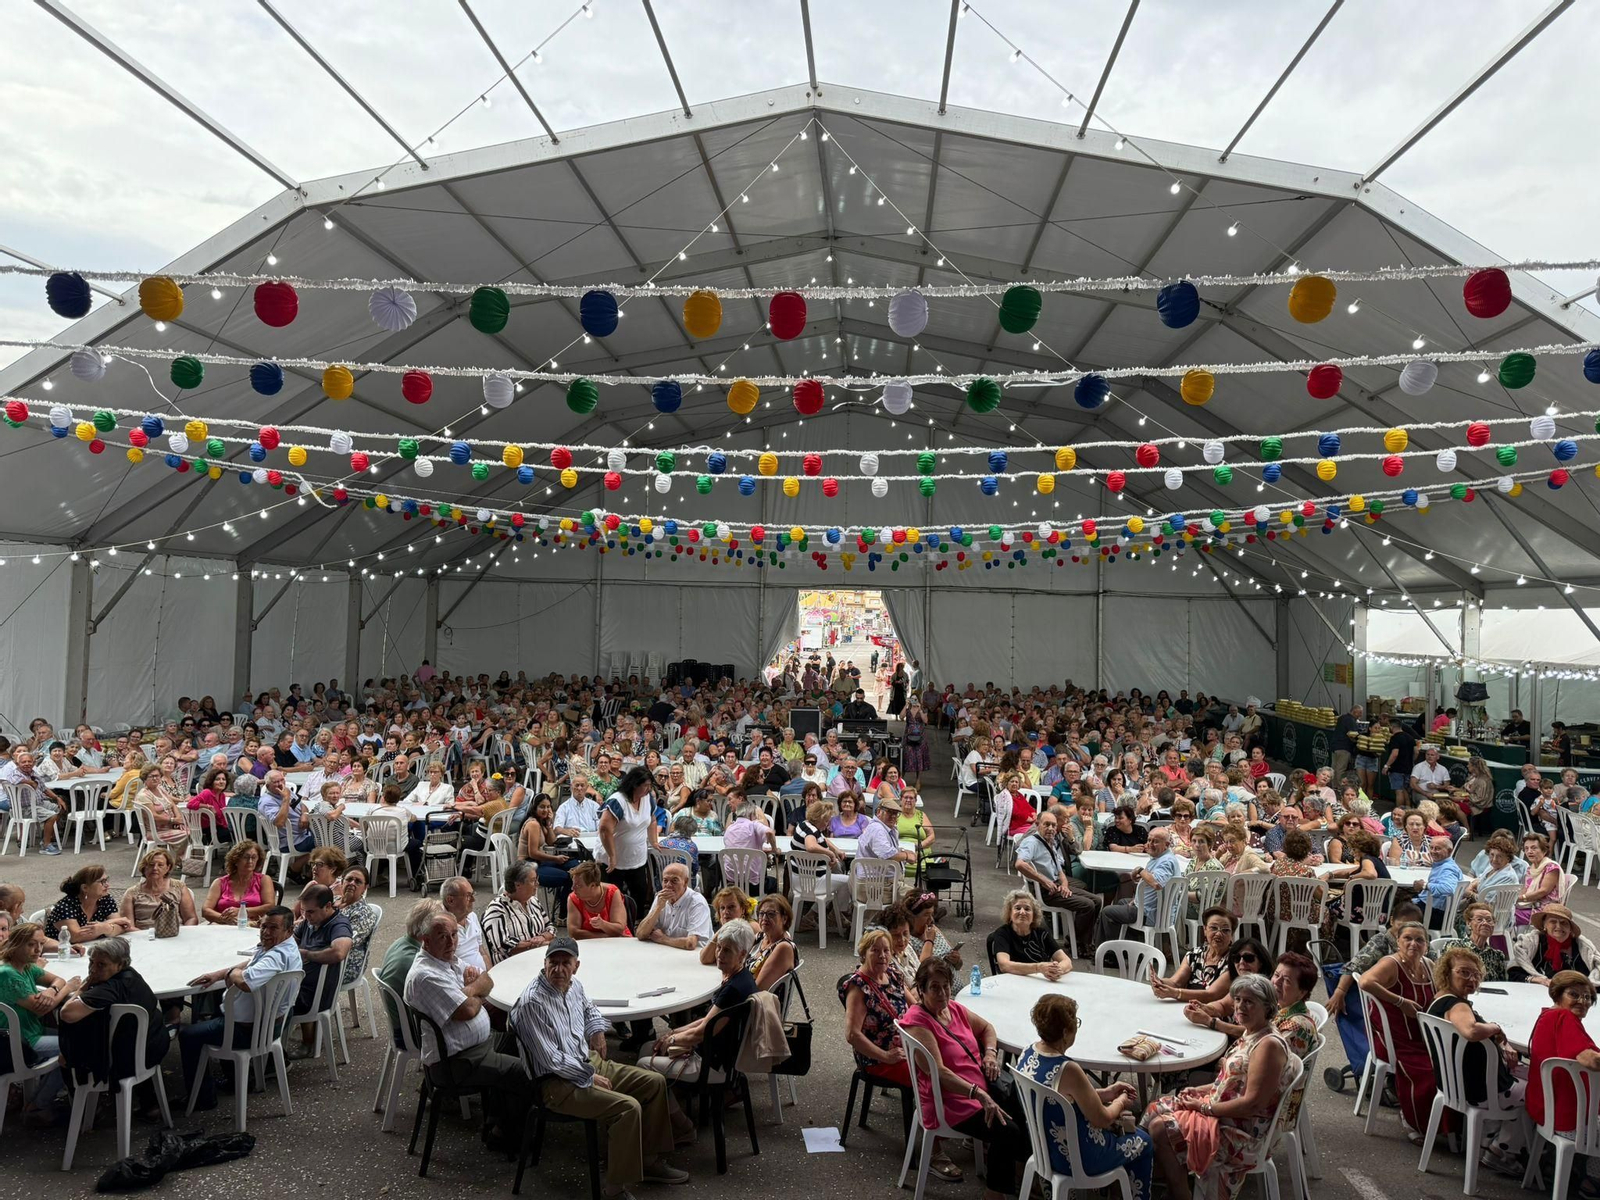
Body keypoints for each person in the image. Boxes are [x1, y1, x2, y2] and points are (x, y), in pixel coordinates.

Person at [510, 937, 690, 1199]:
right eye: (553, 962)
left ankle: (648, 1160)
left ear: (576, 966)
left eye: (565, 963)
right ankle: (615, 1188)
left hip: (585, 1062)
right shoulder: (531, 1004)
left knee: (654, 1082)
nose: (559, 969)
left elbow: (590, 1008)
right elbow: (551, 1060)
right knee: (628, 1109)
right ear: (544, 963)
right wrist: (588, 1076)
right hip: (555, 1083)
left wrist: (596, 1030)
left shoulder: (573, 986)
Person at [1144, 974, 1295, 1200]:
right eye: (1238, 1000)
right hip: (1225, 1111)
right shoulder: (1252, 1031)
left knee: (1161, 1128)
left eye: (1249, 1002)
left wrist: (1204, 1108)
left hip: (1243, 1132)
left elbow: (1252, 1104)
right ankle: (1154, 1177)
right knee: (1156, 1107)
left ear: (1267, 1008)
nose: (1240, 1006)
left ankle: (1179, 1192)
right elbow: (1234, 1082)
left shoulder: (1268, 1046)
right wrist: (1203, 1090)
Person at [899, 957, 1031, 1200]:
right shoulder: (919, 1022)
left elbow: (987, 1028)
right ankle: (994, 1194)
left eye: (946, 986)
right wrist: (978, 1094)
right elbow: (938, 1072)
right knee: (1007, 1130)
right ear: (921, 990)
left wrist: (990, 1054)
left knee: (1024, 1104)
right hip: (951, 1101)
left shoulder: (954, 1009)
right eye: (934, 987)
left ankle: (1022, 1174)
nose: (942, 993)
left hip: (979, 1085)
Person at [404, 911, 533, 1143]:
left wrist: (469, 989)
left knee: (529, 1043)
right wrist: (475, 990)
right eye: (443, 936)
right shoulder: (426, 975)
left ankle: (497, 1117)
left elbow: (488, 980)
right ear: (426, 941)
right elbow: (468, 1011)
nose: (452, 942)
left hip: (479, 1044)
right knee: (526, 1071)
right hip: (457, 1061)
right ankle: (505, 1136)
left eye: (454, 934)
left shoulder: (447, 958)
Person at [1016, 993, 1154, 1199]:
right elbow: (1102, 1118)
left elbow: (1063, 1099)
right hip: (1079, 1159)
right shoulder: (1067, 1069)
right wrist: (1120, 1101)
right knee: (1143, 1141)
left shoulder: (1028, 1052)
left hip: (1044, 1151)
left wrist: (1106, 1092)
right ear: (1065, 1032)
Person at [180, 906, 302, 1110]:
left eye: (273, 928)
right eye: (264, 926)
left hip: (250, 1031)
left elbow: (245, 982)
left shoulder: (276, 956)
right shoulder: (285, 948)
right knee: (220, 1008)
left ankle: (202, 1098)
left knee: (188, 1036)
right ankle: (236, 1080)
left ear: (289, 931)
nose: (266, 932)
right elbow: (253, 962)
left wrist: (232, 974)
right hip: (270, 1023)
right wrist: (220, 974)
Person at [1429, 945, 1525, 1170]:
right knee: (1540, 1091)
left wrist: (1500, 1038)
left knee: (1523, 1074)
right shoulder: (1457, 1005)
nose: (1471, 979)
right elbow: (1471, 1031)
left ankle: (1486, 1141)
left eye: (1476, 974)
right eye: (1463, 972)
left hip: (1454, 1083)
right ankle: (1503, 1150)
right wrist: (1495, 1027)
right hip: (1478, 1090)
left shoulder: (1439, 1000)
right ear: (1446, 973)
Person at [636, 919, 761, 1079]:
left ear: (742, 954)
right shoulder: (741, 977)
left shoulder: (734, 989)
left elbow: (702, 1032)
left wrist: (672, 1040)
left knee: (643, 1065)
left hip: (713, 1064)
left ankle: (671, 1104)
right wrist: (672, 1033)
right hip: (714, 1053)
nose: (719, 955)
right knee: (648, 1047)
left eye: (727, 951)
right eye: (719, 947)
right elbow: (707, 1021)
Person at [57, 935, 169, 1112]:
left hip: (126, 1058)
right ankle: (149, 1104)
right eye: (91, 962)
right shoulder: (133, 977)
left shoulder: (110, 988)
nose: (93, 969)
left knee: (65, 1056)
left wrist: (82, 987)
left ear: (120, 964)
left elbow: (67, 1013)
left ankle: (86, 1110)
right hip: (154, 1044)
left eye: (101, 965)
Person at [1358, 920, 1437, 1138]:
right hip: (1393, 1037)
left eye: (1419, 939)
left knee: (1452, 1064)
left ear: (1427, 945)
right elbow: (1365, 982)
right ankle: (1412, 1120)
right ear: (1398, 942)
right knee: (1429, 1070)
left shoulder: (1429, 966)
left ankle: (1441, 1124)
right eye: (1408, 938)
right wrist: (1400, 1001)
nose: (1414, 943)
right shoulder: (1391, 963)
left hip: (1420, 1035)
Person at [0, 922, 80, 1124]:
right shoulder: (8, 973)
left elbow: (57, 979)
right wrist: (68, 988)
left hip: (31, 1031)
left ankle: (37, 1102)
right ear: (15, 945)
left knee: (77, 1038)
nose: (38, 950)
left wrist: (51, 990)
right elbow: (42, 1008)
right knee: (77, 1048)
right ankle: (39, 1106)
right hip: (20, 1042)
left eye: (41, 944)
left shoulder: (26, 966)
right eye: (31, 944)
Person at [1528, 970, 1600, 1174]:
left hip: (1548, 1110)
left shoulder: (1547, 1015)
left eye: (1587, 997)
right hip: (1570, 1120)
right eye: (1574, 995)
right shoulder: (1563, 1017)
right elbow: (1590, 1060)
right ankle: (1594, 1180)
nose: (1583, 1001)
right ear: (1558, 994)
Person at [1011, 808, 1100, 954]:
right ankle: (1077, 944)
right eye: (1046, 825)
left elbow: (1059, 870)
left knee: (1096, 900)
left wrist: (1065, 885)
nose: (1051, 828)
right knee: (1088, 905)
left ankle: (1079, 941)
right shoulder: (1032, 842)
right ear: (1038, 824)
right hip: (1047, 890)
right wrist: (1044, 880)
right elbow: (1020, 864)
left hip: (1057, 884)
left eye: (1053, 825)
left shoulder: (1050, 841)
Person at [839, 927, 912, 1088]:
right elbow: (852, 1035)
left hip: (906, 1046)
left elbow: (914, 1006)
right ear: (864, 954)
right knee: (930, 1074)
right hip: (877, 1060)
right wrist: (886, 1056)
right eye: (875, 950)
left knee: (946, 1056)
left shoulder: (892, 975)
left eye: (886, 950)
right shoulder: (858, 987)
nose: (882, 956)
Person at [597, 765, 662, 928]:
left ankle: (637, 923)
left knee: (640, 893)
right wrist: (612, 856)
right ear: (634, 784)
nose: (648, 789)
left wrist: (654, 841)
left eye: (650, 785)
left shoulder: (648, 798)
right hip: (614, 860)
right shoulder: (618, 800)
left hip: (636, 857)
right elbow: (605, 829)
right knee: (614, 895)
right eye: (645, 785)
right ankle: (614, 926)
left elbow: (652, 820)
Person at [1095, 826, 1181, 946]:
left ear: (1166, 844)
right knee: (1122, 902)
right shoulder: (1160, 857)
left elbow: (1157, 883)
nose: (1150, 844)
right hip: (1153, 908)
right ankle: (1129, 947)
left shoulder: (1166, 861)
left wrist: (1140, 870)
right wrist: (1136, 900)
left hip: (1152, 913)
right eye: (1149, 840)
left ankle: (1109, 954)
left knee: (1107, 912)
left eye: (1155, 841)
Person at [378, 899, 443, 1047]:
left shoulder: (401, 942)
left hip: (400, 1025)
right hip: (410, 1034)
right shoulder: (416, 962)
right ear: (428, 932)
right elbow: (441, 1004)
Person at [1152, 907, 1239, 1005]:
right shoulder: (1194, 954)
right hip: (1188, 1009)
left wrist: (1176, 993)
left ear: (1232, 935)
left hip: (1214, 1014)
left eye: (1225, 930)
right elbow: (1176, 983)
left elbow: (1211, 995)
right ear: (1205, 930)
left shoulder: (1236, 962)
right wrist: (1159, 982)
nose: (1219, 934)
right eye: (1213, 928)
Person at [481, 861, 556, 965]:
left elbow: (550, 927)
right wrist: (541, 944)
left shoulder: (533, 901)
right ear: (518, 885)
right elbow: (505, 947)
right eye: (533, 881)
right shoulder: (497, 910)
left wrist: (542, 937)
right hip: (512, 965)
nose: (537, 884)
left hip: (538, 959)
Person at [989, 889, 1071, 980]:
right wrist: (1038, 968)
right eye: (1017, 908)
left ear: (1034, 915)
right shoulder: (1002, 933)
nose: (1022, 912)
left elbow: (1066, 961)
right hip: (1013, 982)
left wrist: (1057, 970)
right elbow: (1004, 965)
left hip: (1041, 982)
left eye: (1027, 909)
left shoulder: (1042, 934)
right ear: (1010, 913)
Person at [1513, 903, 1600, 986]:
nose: (1558, 926)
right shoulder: (1531, 943)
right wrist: (1537, 980)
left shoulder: (1583, 947)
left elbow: (1596, 976)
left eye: (1563, 923)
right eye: (1553, 922)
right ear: (1545, 925)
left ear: (1570, 928)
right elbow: (1513, 974)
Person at [520, 793, 578, 913]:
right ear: (534, 807)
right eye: (542, 807)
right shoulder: (533, 824)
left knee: (574, 865)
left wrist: (549, 824)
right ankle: (563, 912)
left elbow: (551, 842)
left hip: (539, 863)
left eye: (548, 807)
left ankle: (563, 899)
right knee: (568, 877)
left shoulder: (541, 822)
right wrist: (555, 859)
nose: (545, 810)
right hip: (528, 866)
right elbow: (533, 853)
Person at [47, 864, 133, 944]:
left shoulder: (105, 900)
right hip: (62, 954)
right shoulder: (64, 907)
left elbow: (122, 927)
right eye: (102, 882)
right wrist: (109, 925)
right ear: (85, 887)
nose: (107, 885)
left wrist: (104, 928)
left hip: (96, 949)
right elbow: (75, 937)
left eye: (106, 880)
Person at [635, 862, 713, 950]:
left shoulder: (697, 902)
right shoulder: (660, 898)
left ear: (685, 882)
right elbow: (641, 934)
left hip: (694, 956)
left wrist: (662, 939)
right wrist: (657, 908)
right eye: (665, 880)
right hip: (666, 952)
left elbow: (691, 943)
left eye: (674, 881)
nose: (668, 885)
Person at [120, 845, 199, 929]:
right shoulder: (132, 893)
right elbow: (128, 925)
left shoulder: (179, 887)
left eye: (160, 865)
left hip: (175, 936)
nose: (155, 868)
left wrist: (183, 935)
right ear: (144, 867)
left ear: (168, 868)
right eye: (151, 865)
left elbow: (191, 918)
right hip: (144, 937)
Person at [202, 839, 277, 925]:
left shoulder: (264, 880)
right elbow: (205, 910)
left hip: (253, 925)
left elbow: (270, 906)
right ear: (236, 860)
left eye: (254, 857)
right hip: (223, 926)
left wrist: (242, 911)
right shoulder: (219, 882)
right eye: (246, 857)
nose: (250, 861)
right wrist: (224, 919)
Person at [1435, 902, 1509, 981]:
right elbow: (1443, 978)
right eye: (1479, 919)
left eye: (1489, 920)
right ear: (1468, 923)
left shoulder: (1497, 955)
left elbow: (1503, 984)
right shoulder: (1455, 947)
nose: (1485, 923)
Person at [1408, 835, 1465, 929]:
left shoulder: (1448, 868)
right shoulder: (1441, 864)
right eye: (1431, 848)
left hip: (1434, 914)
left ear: (1449, 851)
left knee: (1399, 912)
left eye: (1437, 849)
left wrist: (1425, 886)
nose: (1433, 851)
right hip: (1430, 908)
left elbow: (1449, 889)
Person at [568, 860, 633, 939]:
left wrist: (603, 924)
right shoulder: (574, 898)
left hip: (617, 942)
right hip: (592, 944)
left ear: (593, 885)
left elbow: (619, 928)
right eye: (573, 884)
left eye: (578, 886)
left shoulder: (612, 893)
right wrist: (604, 936)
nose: (573, 889)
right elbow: (573, 932)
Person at [747, 894, 799, 991]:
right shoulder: (760, 937)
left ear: (784, 918)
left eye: (771, 914)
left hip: (756, 1002)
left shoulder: (783, 948)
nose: (764, 918)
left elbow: (757, 989)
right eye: (761, 913)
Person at [1516, 832, 1563, 926]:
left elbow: (1543, 891)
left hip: (1544, 911)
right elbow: (1525, 888)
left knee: (1505, 917)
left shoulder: (1552, 867)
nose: (1529, 851)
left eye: (1534, 848)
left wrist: (1521, 898)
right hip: (1530, 906)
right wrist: (1515, 900)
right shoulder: (1531, 868)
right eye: (1526, 848)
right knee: (1502, 911)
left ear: (1544, 851)